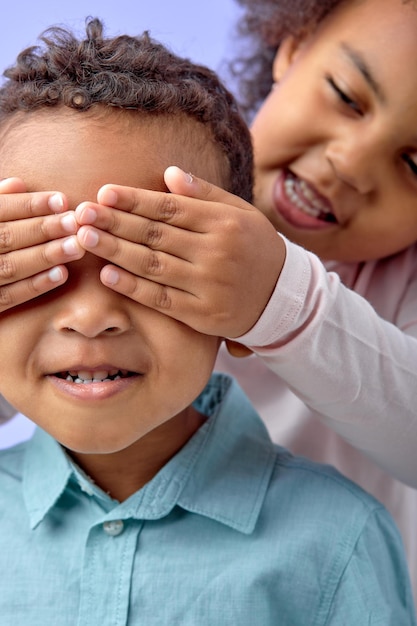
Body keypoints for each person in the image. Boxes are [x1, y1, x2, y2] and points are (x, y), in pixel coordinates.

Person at [0, 18, 415, 625]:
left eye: (150, 270)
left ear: (238, 332)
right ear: (292, 47)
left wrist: (281, 301)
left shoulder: (338, 543)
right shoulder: (168, 138)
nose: (347, 164)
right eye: (45, 268)